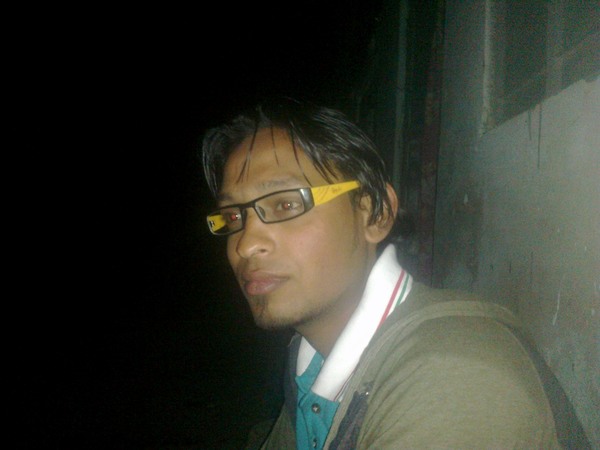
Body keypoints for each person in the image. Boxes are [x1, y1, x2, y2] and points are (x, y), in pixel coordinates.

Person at [200, 98, 588, 449]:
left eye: (285, 204)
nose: (245, 244)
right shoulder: (311, 360)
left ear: (375, 213)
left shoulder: (451, 374)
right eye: (233, 217)